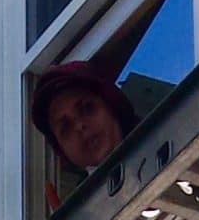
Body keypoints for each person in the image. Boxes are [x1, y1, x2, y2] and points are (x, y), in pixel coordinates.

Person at [29, 61, 137, 203]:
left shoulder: (163, 143)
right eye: (65, 127)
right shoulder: (81, 214)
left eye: (87, 108)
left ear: (111, 104)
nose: (79, 126)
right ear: (62, 150)